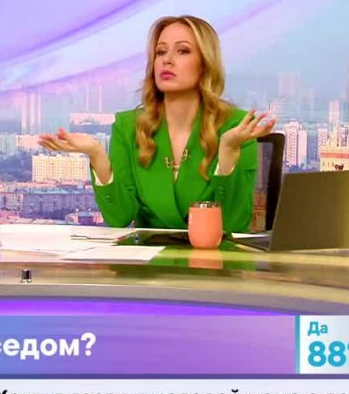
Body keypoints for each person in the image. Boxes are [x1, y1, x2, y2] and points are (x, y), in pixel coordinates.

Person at [39, 15, 276, 232]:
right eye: (161, 52)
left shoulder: (236, 126)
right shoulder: (128, 126)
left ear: (205, 63)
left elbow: (233, 224)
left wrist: (227, 154)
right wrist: (96, 154)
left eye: (182, 51)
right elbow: (119, 217)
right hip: (150, 262)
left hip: (214, 262)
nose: (167, 61)